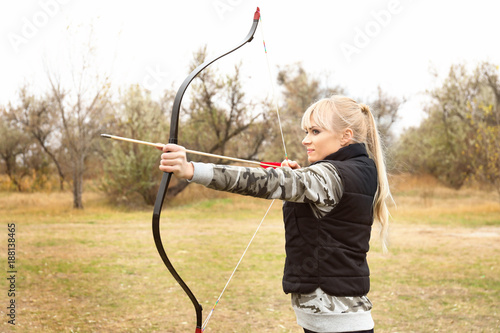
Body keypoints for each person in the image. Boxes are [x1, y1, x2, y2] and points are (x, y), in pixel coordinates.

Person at [159, 95, 391, 333]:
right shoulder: (355, 170)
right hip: (334, 318)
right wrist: (300, 180)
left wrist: (191, 169)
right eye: (306, 131)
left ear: (346, 136)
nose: (305, 140)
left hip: (336, 321)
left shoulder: (331, 176)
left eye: (315, 131)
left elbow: (263, 182)